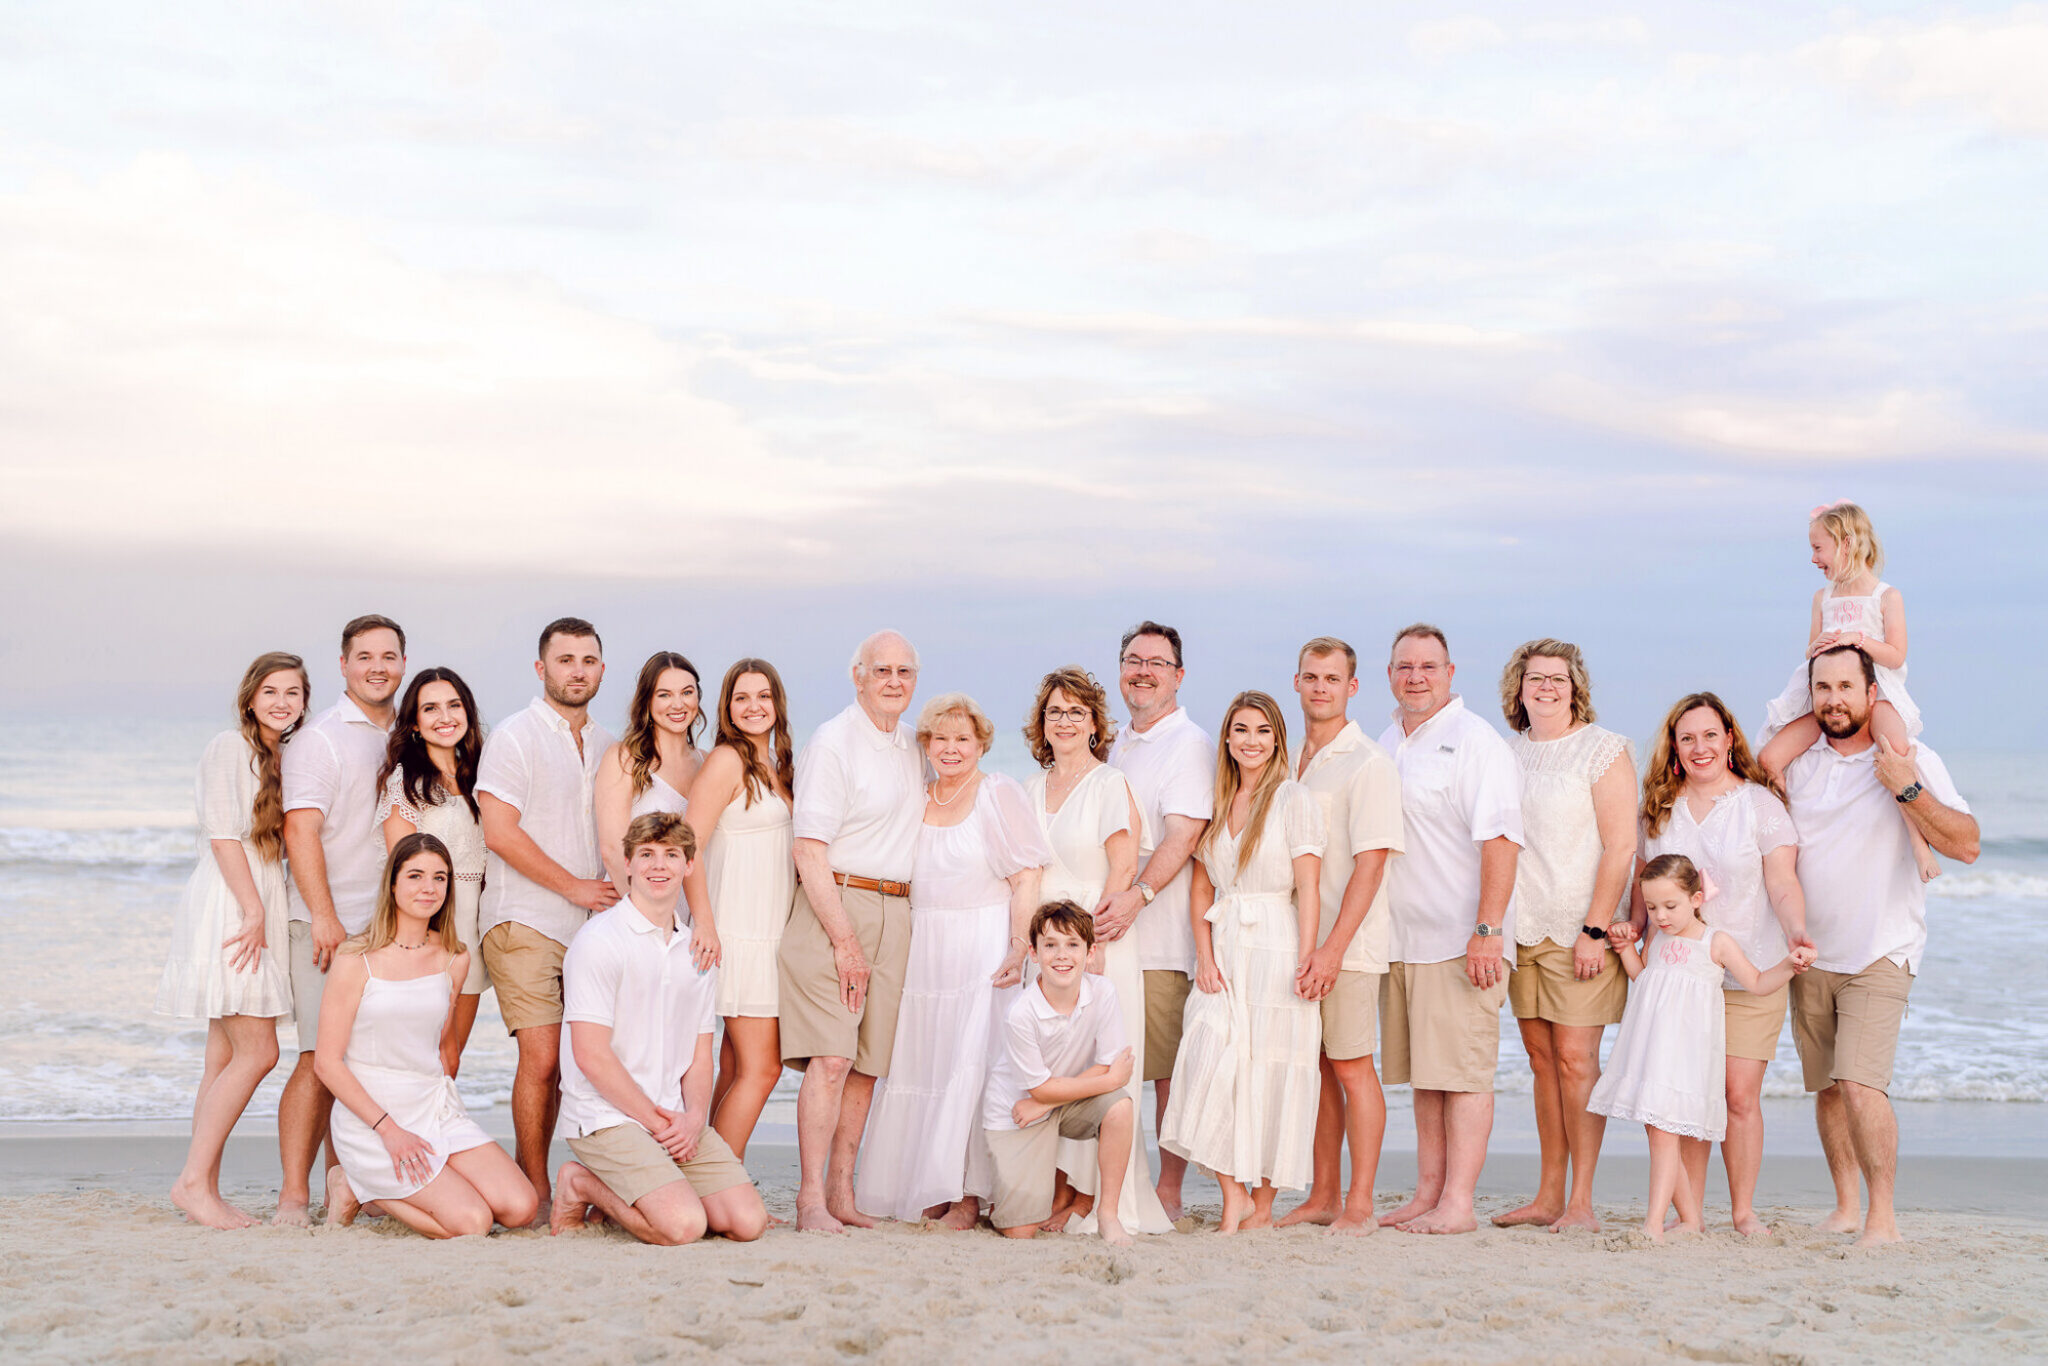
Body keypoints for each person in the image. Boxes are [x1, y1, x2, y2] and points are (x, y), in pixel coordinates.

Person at [1784, 644, 1978, 1245]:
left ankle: (1882, 1218)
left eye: (1846, 686)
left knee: (1863, 1083)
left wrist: (1907, 788)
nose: (1833, 699)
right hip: (1811, 954)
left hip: (1881, 949)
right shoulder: (1799, 767)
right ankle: (1845, 1206)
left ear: (1873, 695)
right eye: (1823, 687)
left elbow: (1967, 844)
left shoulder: (1910, 758)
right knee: (1829, 1087)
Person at [856, 692, 1050, 1228]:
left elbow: (1026, 877)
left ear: (982, 744)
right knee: (926, 1064)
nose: (950, 748)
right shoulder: (916, 798)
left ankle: (968, 1197)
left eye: (962, 738)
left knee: (973, 1068)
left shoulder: (997, 793)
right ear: (924, 744)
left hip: (983, 945)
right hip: (924, 948)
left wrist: (1019, 947)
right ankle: (932, 1185)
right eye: (939, 738)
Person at [1639, 691, 1814, 1236]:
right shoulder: (1660, 810)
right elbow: (1645, 892)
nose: (1700, 747)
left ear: (1730, 738)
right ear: (1674, 746)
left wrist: (1797, 931)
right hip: (1679, 975)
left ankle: (1742, 1211)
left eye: (1710, 735)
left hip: (1749, 968)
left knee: (1738, 1095)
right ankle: (1690, 1217)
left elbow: (1782, 881)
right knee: (1687, 1094)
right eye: (1687, 737)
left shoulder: (1759, 805)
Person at [551, 812, 770, 1245]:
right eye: (647, 854)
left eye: (671, 855)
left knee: (747, 1223)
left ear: (689, 866)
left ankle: (657, 1185)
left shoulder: (695, 950)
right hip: (604, 1117)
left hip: (672, 1118)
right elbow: (590, 1056)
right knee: (683, 1226)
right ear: (627, 864)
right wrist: (656, 1122)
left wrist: (693, 1121)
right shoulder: (599, 941)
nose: (658, 866)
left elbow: (699, 1055)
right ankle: (580, 1182)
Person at [1160, 690, 1325, 1234]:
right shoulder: (1218, 801)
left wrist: (1308, 960)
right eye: (1241, 731)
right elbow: (1200, 886)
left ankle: (1263, 1202)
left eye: (1262, 731)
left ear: (1277, 738)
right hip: (1225, 944)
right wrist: (1204, 956)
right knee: (1210, 1060)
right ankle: (1232, 1190)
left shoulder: (1293, 798)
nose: (1251, 741)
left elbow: (1309, 886)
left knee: (1273, 1069)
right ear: (1227, 739)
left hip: (1277, 945)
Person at [1376, 624, 1523, 1236]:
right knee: (1427, 1080)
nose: (1416, 676)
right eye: (1405, 666)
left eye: (1428, 666)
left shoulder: (1475, 742)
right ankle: (1428, 1193)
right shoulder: (1388, 740)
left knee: (1462, 1075)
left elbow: (1501, 840)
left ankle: (1458, 1203)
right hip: (1402, 942)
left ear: (1450, 673)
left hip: (1462, 940)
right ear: (1389, 675)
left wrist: (1487, 929)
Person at [316, 833, 536, 1238]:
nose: (428, 888)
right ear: (393, 884)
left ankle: (419, 1182)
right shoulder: (355, 959)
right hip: (375, 1118)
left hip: (434, 1107)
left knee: (521, 1206)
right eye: (415, 875)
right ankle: (359, 1186)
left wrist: (445, 1108)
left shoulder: (454, 956)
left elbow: (444, 1049)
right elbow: (326, 1063)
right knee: (473, 1223)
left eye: (440, 878)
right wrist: (390, 1130)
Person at [779, 630, 925, 1232]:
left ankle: (843, 1192)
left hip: (899, 910)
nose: (894, 681)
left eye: (905, 672)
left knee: (867, 1063)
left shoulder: (916, 746)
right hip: (835, 905)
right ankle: (811, 1197)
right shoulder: (833, 741)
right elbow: (808, 849)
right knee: (833, 1059)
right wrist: (844, 941)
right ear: (858, 676)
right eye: (882, 670)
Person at [158, 652, 309, 1229]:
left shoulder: (280, 755)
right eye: (270, 691)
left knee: (221, 1056)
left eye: (292, 693)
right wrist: (252, 910)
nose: (281, 702)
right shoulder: (231, 747)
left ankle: (204, 1188)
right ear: (250, 698)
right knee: (260, 1051)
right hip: (232, 900)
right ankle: (192, 1183)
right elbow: (224, 837)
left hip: (254, 898)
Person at [1589, 855, 1813, 1242]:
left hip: (1685, 1052)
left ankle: (1654, 1224)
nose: (1660, 916)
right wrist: (1626, 949)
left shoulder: (1715, 942)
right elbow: (1645, 979)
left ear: (1696, 899)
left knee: (1663, 1131)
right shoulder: (1659, 939)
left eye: (1670, 906)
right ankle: (1690, 1219)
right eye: (1653, 907)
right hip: (1651, 1046)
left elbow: (1757, 983)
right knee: (1656, 1128)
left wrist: (1790, 966)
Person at [1493, 639, 1637, 1233]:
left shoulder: (1602, 750)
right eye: (1536, 679)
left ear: (1576, 687)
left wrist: (1594, 929)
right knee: (1541, 1062)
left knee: (1577, 1061)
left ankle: (1582, 1201)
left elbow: (1621, 844)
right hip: (1520, 929)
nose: (1547, 688)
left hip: (1580, 929)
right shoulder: (1506, 754)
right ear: (1518, 689)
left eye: (1558, 679)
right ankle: (1548, 1195)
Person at [1023, 667, 1173, 1236]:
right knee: (1055, 1065)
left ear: (1093, 724)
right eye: (1054, 711)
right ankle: (1055, 1189)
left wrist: (1096, 945)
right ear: (1043, 722)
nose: (1064, 720)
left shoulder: (1109, 783)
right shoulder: (1031, 787)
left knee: (1095, 1063)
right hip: (1048, 945)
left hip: (1094, 942)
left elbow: (1122, 865)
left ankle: (1088, 1197)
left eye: (1076, 712)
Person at [477, 617, 616, 1220]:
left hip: (590, 931)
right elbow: (498, 832)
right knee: (542, 1059)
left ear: (601, 670)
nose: (577, 670)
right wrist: (576, 888)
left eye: (588, 660)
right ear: (542, 669)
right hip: (523, 921)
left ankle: (581, 1178)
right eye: (565, 660)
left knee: (582, 1061)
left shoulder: (611, 744)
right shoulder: (514, 736)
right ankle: (532, 1187)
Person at [275, 614, 405, 1225]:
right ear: (344, 665)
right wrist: (323, 917)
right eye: (365, 656)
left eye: (389, 655)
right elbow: (299, 828)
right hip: (332, 924)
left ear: (403, 662)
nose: (378, 666)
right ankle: (293, 1197)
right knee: (316, 1060)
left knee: (365, 1063)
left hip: (392, 927)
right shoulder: (321, 737)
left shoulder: (406, 732)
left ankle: (345, 1184)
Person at [1277, 637, 1405, 1237]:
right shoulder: (1289, 760)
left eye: (1333, 678)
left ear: (1353, 687)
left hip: (1347, 948)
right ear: (1297, 682)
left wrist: (1332, 950)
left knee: (1353, 1067)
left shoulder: (1369, 763)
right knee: (1318, 1070)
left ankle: (1359, 1203)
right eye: (1311, 677)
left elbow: (1371, 864)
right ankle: (1322, 1194)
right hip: (1294, 944)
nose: (1320, 687)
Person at [1099, 620, 1215, 1221]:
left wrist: (1138, 895)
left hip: (1161, 936)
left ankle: (1167, 1189)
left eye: (1156, 663)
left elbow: (1185, 833)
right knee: (1110, 1062)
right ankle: (1112, 1185)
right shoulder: (1118, 740)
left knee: (1163, 1069)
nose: (1143, 671)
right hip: (1109, 939)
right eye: (1133, 660)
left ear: (1178, 675)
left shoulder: (1187, 743)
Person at [1757, 501, 1938, 882]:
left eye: (1818, 548)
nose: (1812, 558)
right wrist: (1821, 643)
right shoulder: (1822, 599)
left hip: (1877, 691)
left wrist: (1860, 640)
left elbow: (1896, 654)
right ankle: (1786, 835)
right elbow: (1809, 653)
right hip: (1828, 695)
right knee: (1770, 757)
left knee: (1897, 754)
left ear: (1846, 543)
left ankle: (1918, 843)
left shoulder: (1886, 597)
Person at [685, 658, 797, 1161]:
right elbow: (688, 848)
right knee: (763, 1068)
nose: (754, 707)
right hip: (738, 932)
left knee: (734, 1069)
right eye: (742, 698)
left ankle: (706, 1178)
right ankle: (718, 1185)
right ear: (728, 708)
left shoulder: (776, 765)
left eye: (763, 697)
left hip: (772, 935)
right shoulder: (727, 761)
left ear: (778, 704)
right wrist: (705, 923)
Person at [984, 901, 1140, 1248]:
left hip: (1053, 1101)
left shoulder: (1102, 992)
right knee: (1020, 1231)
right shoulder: (1020, 1013)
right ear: (1034, 955)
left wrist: (1047, 1103)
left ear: (1090, 951)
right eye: (1050, 945)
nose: (1062, 955)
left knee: (1120, 1106)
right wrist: (1109, 1081)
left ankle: (1108, 1215)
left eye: (1073, 945)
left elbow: (1108, 1061)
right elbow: (1101, 1075)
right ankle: (1009, 1202)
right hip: (1016, 1111)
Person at [376, 666, 489, 1077]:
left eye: (454, 705)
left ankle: (436, 1139)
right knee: (427, 1056)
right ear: (415, 724)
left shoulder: (482, 776)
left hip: (475, 933)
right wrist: (427, 940)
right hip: (431, 932)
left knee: (451, 1060)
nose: (445, 716)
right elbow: (402, 873)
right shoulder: (405, 782)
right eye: (430, 708)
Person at [594, 651, 707, 898]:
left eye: (687, 692)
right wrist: (646, 915)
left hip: (689, 910)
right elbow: (613, 850)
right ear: (647, 700)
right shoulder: (624, 758)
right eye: (664, 695)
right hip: (633, 906)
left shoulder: (706, 762)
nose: (678, 704)